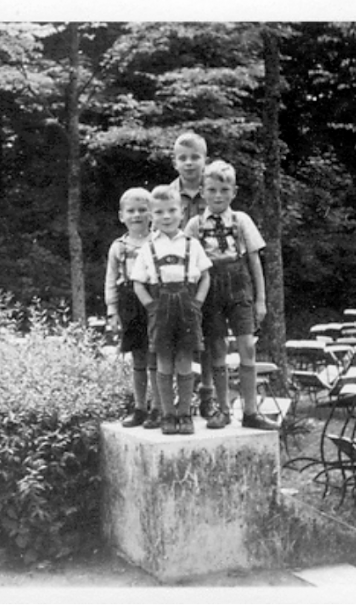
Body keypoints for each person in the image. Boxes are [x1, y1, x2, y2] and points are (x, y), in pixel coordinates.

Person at [185, 160, 279, 430]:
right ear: (202, 191)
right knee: (217, 349)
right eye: (212, 190)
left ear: (233, 192)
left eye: (224, 190)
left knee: (247, 345)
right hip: (209, 287)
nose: (218, 196)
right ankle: (223, 409)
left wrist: (260, 300)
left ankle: (250, 411)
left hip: (239, 286)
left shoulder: (242, 220)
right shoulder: (194, 225)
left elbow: (255, 262)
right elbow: (190, 264)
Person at [132, 186, 211, 435]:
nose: (166, 216)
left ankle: (185, 414)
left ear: (182, 212)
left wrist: (197, 302)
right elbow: (137, 283)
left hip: (187, 306)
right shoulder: (148, 248)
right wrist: (151, 307)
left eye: (172, 210)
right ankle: (167, 415)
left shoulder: (192, 244)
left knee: (185, 360)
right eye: (160, 212)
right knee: (164, 361)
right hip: (161, 306)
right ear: (152, 217)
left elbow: (205, 276)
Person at [167, 131, 216, 419]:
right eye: (182, 158)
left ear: (205, 161)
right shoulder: (168, 193)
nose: (189, 163)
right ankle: (178, 392)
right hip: (175, 277)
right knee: (175, 339)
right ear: (175, 162)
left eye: (195, 157)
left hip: (207, 273)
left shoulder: (213, 189)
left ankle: (207, 393)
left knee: (208, 335)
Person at [105, 187, 161, 429]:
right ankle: (140, 407)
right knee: (138, 357)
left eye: (142, 210)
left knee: (156, 356)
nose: (136, 215)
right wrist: (112, 310)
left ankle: (159, 408)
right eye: (131, 211)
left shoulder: (159, 241)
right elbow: (110, 279)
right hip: (130, 304)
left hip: (154, 300)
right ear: (121, 215)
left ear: (152, 214)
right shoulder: (118, 247)